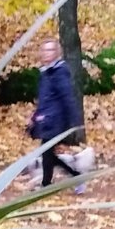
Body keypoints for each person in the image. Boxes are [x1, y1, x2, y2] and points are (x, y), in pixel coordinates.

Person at [29, 34, 85, 187]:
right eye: (45, 50)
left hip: (57, 121)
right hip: (47, 120)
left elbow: (67, 97)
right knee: (48, 154)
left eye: (51, 50)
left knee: (46, 152)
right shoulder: (45, 73)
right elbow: (45, 99)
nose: (47, 53)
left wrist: (75, 121)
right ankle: (76, 177)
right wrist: (35, 117)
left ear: (56, 53)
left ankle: (47, 184)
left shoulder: (59, 72)